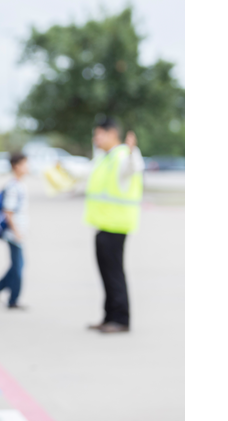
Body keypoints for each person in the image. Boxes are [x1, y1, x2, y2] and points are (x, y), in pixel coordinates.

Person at [84, 118, 144, 334]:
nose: (95, 139)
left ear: (112, 134)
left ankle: (120, 319)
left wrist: (131, 152)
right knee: (106, 274)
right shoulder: (105, 158)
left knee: (114, 273)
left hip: (116, 226)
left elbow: (133, 168)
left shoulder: (122, 156)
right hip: (103, 224)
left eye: (99, 134)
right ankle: (109, 315)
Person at [0, 153, 30, 310]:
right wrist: (17, 231)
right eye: (25, 164)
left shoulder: (19, 185)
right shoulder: (14, 187)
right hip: (14, 234)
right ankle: (12, 299)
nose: (27, 168)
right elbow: (8, 212)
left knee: (17, 265)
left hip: (18, 232)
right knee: (18, 266)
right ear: (16, 166)